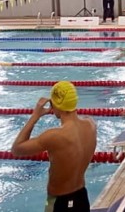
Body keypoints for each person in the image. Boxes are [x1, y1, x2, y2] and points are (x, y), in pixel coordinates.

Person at [12, 81, 97, 212]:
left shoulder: (54, 136)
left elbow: (17, 149)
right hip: (82, 198)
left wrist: (35, 116)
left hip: (59, 203)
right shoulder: (90, 125)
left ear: (54, 104)